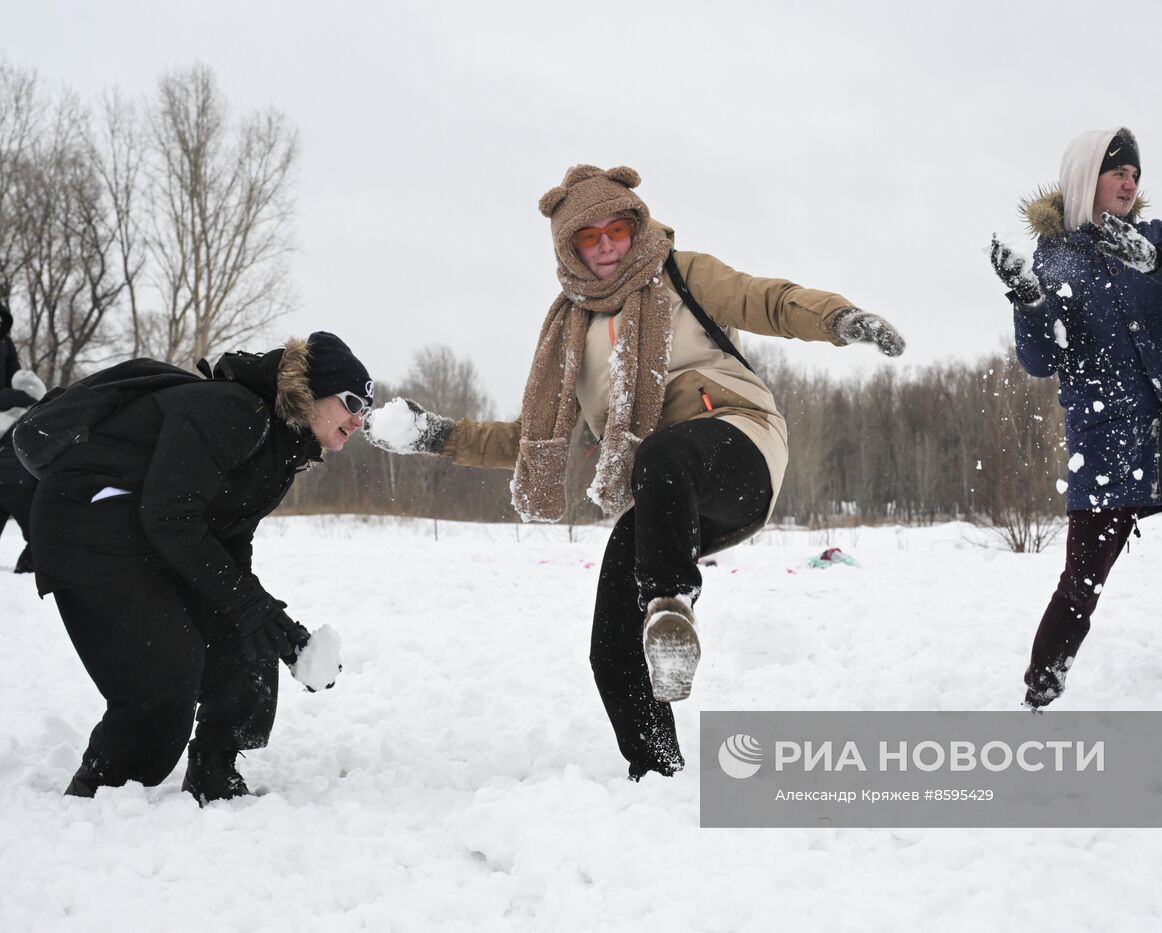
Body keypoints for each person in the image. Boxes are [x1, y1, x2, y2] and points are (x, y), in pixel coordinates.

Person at [367, 165, 904, 779]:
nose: (605, 246)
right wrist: (437, 436)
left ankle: (671, 605)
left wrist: (838, 318)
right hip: (658, 502)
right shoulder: (568, 333)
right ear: (567, 249)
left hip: (737, 443)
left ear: (636, 226)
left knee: (663, 453)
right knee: (610, 647)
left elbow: (770, 301)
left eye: (616, 229)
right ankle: (658, 771)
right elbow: (530, 438)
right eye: (586, 238)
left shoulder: (682, 273)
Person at [27, 332, 373, 801]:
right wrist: (254, 608)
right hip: (87, 529)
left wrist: (270, 621)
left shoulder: (282, 449)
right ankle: (104, 793)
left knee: (245, 636)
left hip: (147, 537)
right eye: (351, 401)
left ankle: (215, 767)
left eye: (366, 411)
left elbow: (229, 540)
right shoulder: (234, 412)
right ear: (313, 391)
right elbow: (170, 516)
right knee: (165, 672)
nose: (358, 420)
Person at [988, 127, 1162, 708]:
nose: (1130, 181)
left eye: (1134, 173)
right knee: (1080, 588)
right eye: (1118, 171)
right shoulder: (1054, 258)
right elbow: (1040, 360)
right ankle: (1038, 697)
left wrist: (1159, 262)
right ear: (1086, 180)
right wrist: (1029, 300)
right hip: (1109, 446)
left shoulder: (1152, 237)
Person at [0, 295, 45, 572]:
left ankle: (29, 568)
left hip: (13, 456)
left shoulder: (5, 342)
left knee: (35, 530)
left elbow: (16, 375)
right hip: (15, 470)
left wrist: (20, 396)